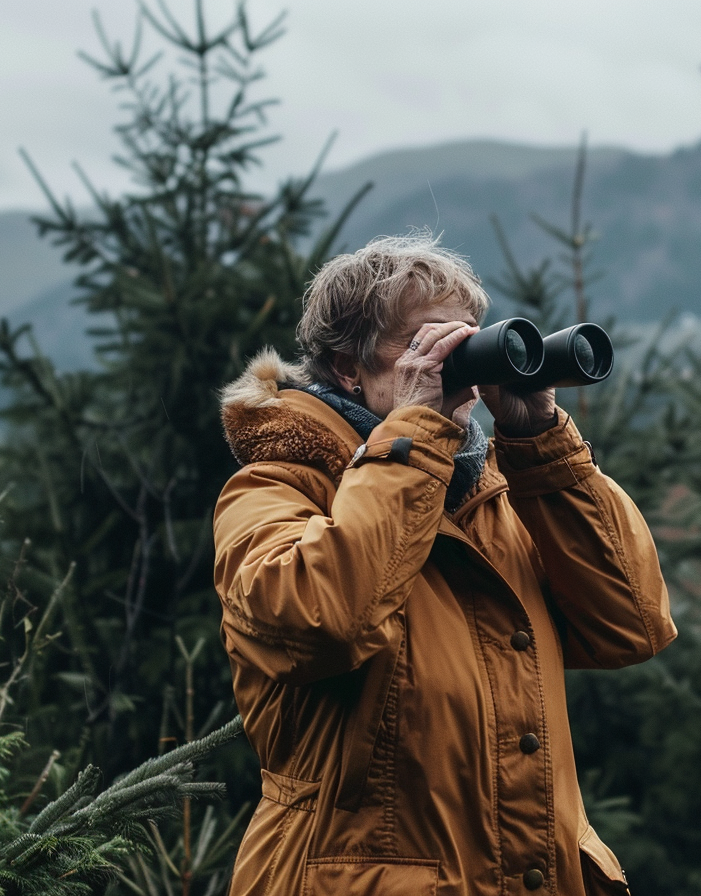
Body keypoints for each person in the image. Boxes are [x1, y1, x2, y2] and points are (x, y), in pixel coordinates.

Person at [213, 233, 676, 895]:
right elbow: (326, 621)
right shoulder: (274, 490)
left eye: (463, 340)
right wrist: (416, 431)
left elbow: (632, 624)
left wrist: (539, 444)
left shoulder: (491, 498)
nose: (449, 363)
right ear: (349, 367)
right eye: (423, 343)